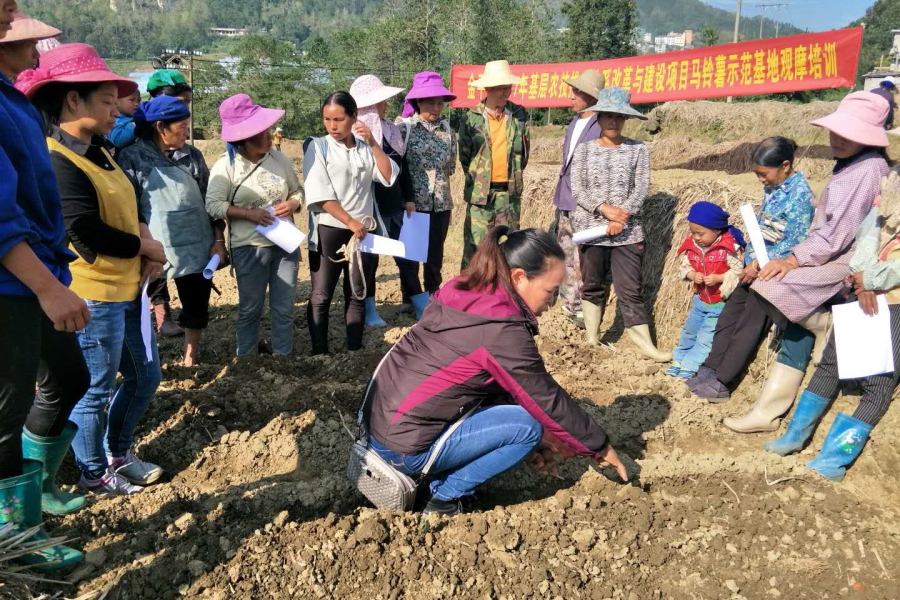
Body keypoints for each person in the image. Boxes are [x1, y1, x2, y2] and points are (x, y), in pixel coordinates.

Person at [363, 227, 629, 516]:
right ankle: (440, 498)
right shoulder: (501, 329)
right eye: (550, 291)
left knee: (525, 426)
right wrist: (598, 446)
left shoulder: (465, 292)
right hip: (403, 447)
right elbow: (543, 396)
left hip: (376, 430)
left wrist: (540, 440)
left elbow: (486, 381)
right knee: (526, 427)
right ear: (519, 277)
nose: (551, 304)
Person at [20, 42, 166, 497]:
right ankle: (93, 471)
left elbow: (131, 201)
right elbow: (84, 232)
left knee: (146, 376)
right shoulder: (57, 159)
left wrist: (146, 246)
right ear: (72, 100)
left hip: (128, 287)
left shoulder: (100, 149)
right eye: (105, 101)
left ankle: (119, 452)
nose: (114, 110)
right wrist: (144, 246)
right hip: (94, 293)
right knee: (95, 389)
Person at [689, 92, 891, 401]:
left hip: (839, 258)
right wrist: (757, 261)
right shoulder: (850, 166)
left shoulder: (864, 171)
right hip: (816, 251)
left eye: (848, 134)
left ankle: (724, 377)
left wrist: (789, 261)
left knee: (764, 288)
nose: (837, 139)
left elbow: (833, 237)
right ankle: (711, 366)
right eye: (836, 131)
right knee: (737, 300)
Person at [0, 8, 87, 570]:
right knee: (6, 412)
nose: (36, 50)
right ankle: (17, 540)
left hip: (36, 270)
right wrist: (48, 288)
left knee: (68, 377)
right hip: (11, 280)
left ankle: (39, 487)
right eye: (11, 19)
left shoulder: (13, 100)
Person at [765, 171, 900, 481]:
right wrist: (862, 281)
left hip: (895, 303)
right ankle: (795, 437)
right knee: (830, 364)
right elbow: (866, 239)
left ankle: (833, 459)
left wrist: (872, 279)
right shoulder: (889, 196)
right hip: (863, 294)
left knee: (880, 381)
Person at [116, 96, 223, 366]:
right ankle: (145, 358)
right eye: (182, 126)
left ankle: (190, 357)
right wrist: (144, 248)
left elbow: (209, 199)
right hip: (154, 245)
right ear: (161, 127)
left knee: (196, 301)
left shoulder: (192, 155)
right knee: (141, 300)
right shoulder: (132, 157)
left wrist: (218, 239)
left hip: (196, 242)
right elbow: (129, 207)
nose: (186, 132)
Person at [721, 138, 817, 432]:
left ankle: (723, 380)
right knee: (729, 315)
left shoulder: (800, 196)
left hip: (773, 275)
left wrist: (758, 266)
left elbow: (794, 244)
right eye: (757, 174)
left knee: (749, 323)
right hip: (757, 267)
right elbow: (763, 230)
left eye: (764, 173)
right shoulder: (773, 188)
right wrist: (750, 260)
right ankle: (711, 368)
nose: (761, 180)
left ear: (785, 166)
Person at [570, 87, 669, 362]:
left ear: (625, 119)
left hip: (627, 232)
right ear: (598, 118)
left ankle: (646, 346)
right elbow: (578, 188)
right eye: (607, 116)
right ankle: (592, 338)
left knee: (630, 289)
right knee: (592, 284)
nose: (613, 121)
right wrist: (604, 210)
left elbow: (641, 187)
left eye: (619, 116)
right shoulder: (584, 150)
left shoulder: (638, 149)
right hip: (592, 230)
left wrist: (621, 215)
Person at [206, 94, 303, 358]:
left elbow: (297, 190)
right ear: (243, 139)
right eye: (261, 134)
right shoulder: (226, 167)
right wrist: (248, 214)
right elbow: (213, 205)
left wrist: (293, 204)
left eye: (268, 131)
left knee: (284, 308)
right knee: (250, 309)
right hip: (249, 247)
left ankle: (282, 357)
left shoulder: (279, 160)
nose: (269, 138)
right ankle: (246, 361)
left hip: (284, 244)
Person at [303, 91, 398, 355]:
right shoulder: (318, 147)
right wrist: (349, 221)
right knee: (321, 294)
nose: (332, 126)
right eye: (327, 119)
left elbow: (387, 176)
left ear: (354, 117)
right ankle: (319, 353)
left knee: (357, 292)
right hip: (330, 228)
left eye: (339, 119)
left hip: (361, 232)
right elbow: (320, 195)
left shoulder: (365, 148)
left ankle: (353, 352)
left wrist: (374, 143)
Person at [349, 74, 412, 328]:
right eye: (380, 102)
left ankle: (417, 299)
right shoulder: (352, 135)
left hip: (394, 204)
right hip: (367, 208)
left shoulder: (392, 131)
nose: (385, 105)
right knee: (368, 261)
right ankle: (369, 309)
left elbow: (403, 167)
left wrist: (408, 197)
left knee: (406, 255)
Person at [396, 71, 457, 319]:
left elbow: (451, 166)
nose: (436, 108)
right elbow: (398, 167)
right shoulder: (404, 129)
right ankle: (410, 297)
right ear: (418, 102)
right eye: (430, 102)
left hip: (441, 203)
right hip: (413, 203)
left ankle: (433, 295)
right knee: (411, 253)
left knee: (434, 255)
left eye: (440, 103)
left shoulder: (447, 131)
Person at [458, 60, 530, 270]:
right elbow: (465, 157)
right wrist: (480, 179)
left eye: (508, 87)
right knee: (476, 249)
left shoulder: (519, 115)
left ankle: (503, 288)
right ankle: (471, 287)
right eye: (501, 87)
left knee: (509, 249)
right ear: (488, 88)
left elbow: (524, 155)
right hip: (481, 197)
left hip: (509, 196)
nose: (506, 92)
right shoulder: (471, 118)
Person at [666, 203, 745, 380]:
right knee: (689, 331)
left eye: (700, 234)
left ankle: (691, 364)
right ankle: (679, 359)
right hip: (700, 301)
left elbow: (739, 271)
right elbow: (684, 268)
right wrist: (692, 275)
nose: (696, 237)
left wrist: (719, 278)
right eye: (693, 233)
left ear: (716, 229)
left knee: (705, 337)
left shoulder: (729, 248)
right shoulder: (693, 246)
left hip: (718, 304)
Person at [550, 69, 604, 328]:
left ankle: (583, 307)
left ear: (591, 96)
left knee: (584, 257)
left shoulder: (600, 125)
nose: (571, 97)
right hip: (566, 198)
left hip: (586, 203)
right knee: (566, 251)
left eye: (576, 92)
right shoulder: (574, 123)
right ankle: (568, 303)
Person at [144, 68, 195, 337]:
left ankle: (187, 317)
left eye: (187, 102)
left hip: (184, 228)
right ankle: (161, 313)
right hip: (150, 224)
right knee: (155, 263)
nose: (185, 108)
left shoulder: (189, 153)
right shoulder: (136, 150)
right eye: (181, 101)